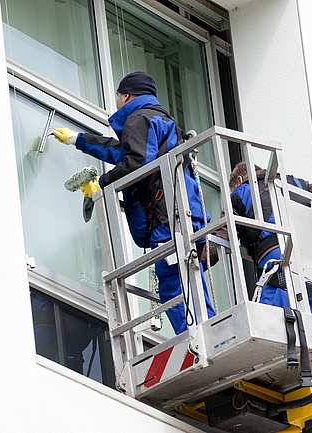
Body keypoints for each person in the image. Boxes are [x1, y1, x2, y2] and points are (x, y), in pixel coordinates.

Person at [51, 71, 215, 334]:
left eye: (117, 95)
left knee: (174, 283)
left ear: (126, 95)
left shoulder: (139, 118)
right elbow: (124, 152)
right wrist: (78, 140)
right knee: (191, 280)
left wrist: (103, 184)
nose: (116, 100)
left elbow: (137, 162)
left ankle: (197, 341)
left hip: (168, 219)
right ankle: (213, 335)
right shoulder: (158, 119)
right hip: (183, 215)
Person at [203, 162, 312, 316]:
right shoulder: (296, 183)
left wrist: (197, 263)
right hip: (311, 262)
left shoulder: (240, 192)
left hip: (275, 265)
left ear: (240, 179)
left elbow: (221, 237)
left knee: (273, 325)